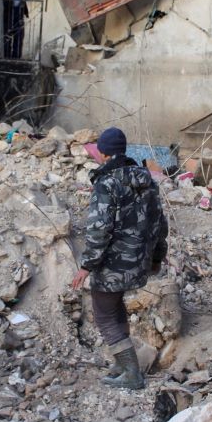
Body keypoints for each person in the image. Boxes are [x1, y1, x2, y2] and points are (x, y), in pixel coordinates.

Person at [70, 127, 169, 390]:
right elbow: (160, 223)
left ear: (102, 154)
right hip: (139, 263)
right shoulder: (146, 178)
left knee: (104, 315)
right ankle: (122, 363)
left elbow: (98, 231)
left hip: (112, 265)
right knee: (116, 309)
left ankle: (132, 373)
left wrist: (86, 266)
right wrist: (157, 256)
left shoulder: (107, 183)